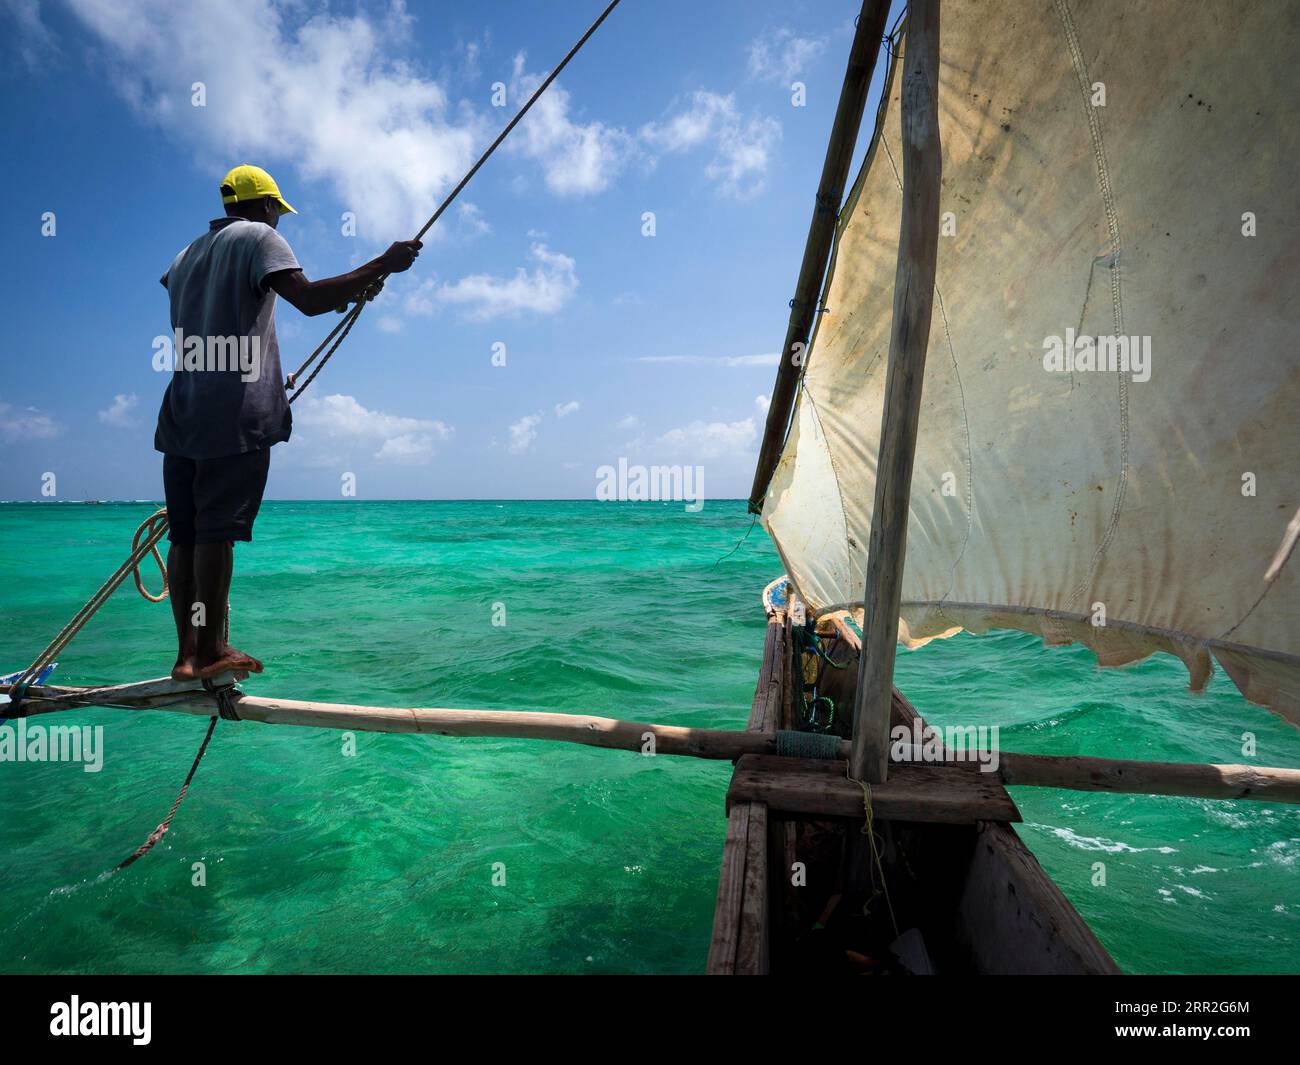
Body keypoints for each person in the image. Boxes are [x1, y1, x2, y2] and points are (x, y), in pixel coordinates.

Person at [156, 163, 421, 680]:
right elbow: (312, 299)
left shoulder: (184, 257)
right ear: (267, 207)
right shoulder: (259, 238)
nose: (279, 223)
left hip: (181, 412)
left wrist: (355, 289)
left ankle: (187, 655)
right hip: (232, 416)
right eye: (278, 212)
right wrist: (384, 263)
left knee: (185, 536)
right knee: (216, 534)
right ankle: (213, 650)